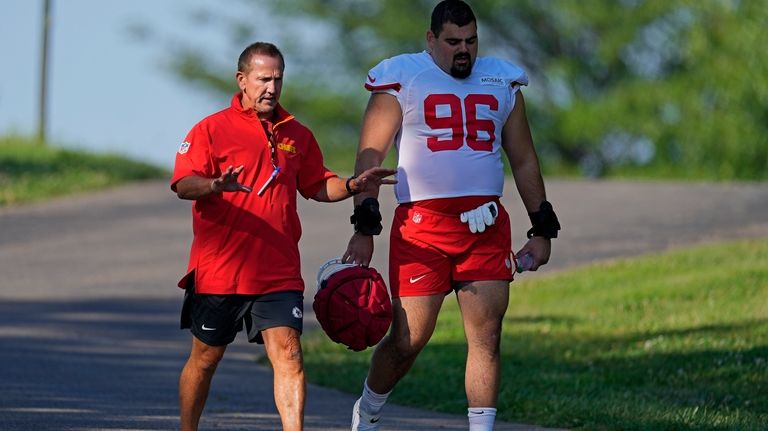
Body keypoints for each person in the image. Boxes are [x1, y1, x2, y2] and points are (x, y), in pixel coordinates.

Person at [342, 2, 561, 430]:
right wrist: (365, 226)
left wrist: (542, 228)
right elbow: (370, 157)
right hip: (423, 227)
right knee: (409, 339)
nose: (464, 51)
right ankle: (367, 412)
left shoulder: (501, 79)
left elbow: (525, 161)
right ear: (431, 40)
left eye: (471, 41)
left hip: (485, 223)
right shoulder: (404, 76)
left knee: (486, 337)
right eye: (453, 42)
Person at [171, 41, 396, 431]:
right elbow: (183, 183)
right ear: (242, 80)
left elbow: (317, 185)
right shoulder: (211, 129)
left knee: (289, 356)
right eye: (262, 79)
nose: (271, 88)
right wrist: (213, 186)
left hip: (278, 271)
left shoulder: (297, 133)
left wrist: (352, 184)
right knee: (205, 359)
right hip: (221, 270)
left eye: (277, 79)